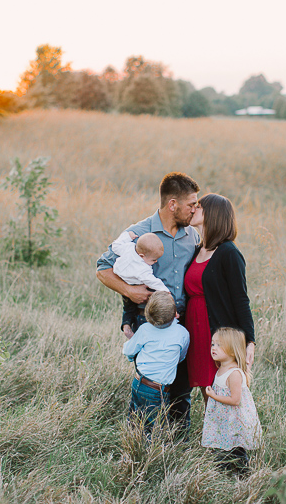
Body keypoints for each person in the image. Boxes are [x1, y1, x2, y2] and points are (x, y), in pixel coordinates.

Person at [96, 172, 201, 434]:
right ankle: (143, 444)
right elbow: (102, 269)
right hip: (150, 321)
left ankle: (178, 443)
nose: (196, 210)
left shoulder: (193, 236)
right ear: (172, 204)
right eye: (191, 204)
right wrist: (129, 291)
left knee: (181, 390)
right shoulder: (139, 234)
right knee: (151, 387)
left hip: (185, 322)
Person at [184, 193, 255, 403]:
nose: (193, 209)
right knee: (203, 389)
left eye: (199, 206)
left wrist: (250, 341)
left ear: (212, 214)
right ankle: (211, 434)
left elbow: (241, 299)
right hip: (193, 328)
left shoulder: (229, 253)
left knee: (219, 391)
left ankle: (227, 435)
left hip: (214, 330)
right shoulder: (197, 249)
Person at [123, 291, 190, 432]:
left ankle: (131, 448)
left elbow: (129, 351)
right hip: (158, 390)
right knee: (153, 428)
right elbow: (181, 356)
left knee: (134, 419)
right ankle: (147, 452)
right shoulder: (182, 333)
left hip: (139, 382)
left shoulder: (145, 329)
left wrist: (131, 356)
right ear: (175, 313)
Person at [202, 327, 261, 474]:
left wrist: (213, 396)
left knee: (236, 449)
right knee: (221, 446)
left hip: (234, 421)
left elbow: (235, 400)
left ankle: (244, 475)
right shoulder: (221, 368)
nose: (213, 348)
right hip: (224, 419)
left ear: (233, 351)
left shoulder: (234, 373)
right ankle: (223, 472)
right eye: (212, 344)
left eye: (219, 345)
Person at [110, 231, 169, 330]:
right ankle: (131, 327)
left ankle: (127, 323)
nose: (156, 262)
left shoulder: (128, 248)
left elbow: (116, 245)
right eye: (153, 260)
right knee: (132, 305)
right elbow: (153, 281)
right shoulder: (142, 270)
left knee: (127, 307)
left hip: (121, 276)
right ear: (142, 256)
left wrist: (127, 236)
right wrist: (165, 290)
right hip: (132, 284)